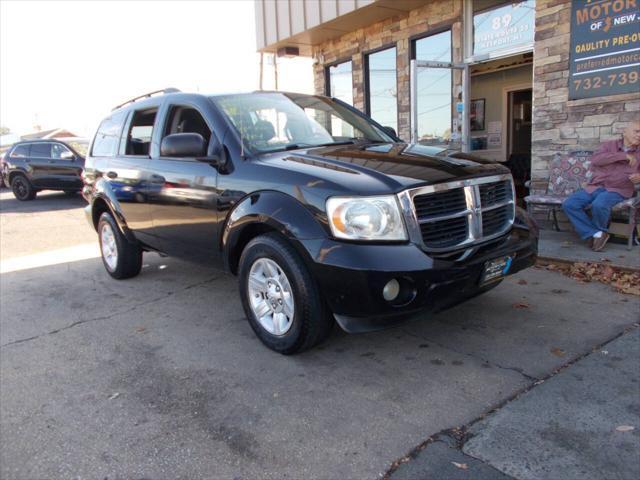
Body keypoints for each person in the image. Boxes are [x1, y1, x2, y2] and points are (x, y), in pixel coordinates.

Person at [562, 120, 640, 251]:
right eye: (637, 131)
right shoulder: (609, 145)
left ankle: (596, 234)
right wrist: (623, 156)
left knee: (600, 204)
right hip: (596, 186)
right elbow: (597, 160)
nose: (639, 135)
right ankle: (597, 234)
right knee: (570, 204)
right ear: (625, 132)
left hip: (619, 189)